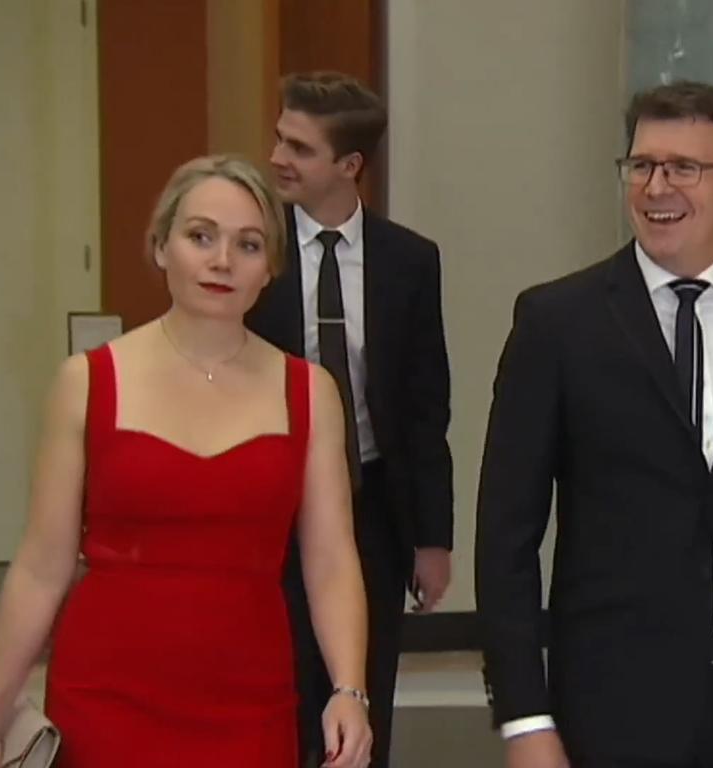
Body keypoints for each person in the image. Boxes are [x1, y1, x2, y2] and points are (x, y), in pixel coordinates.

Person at [476, 80, 713, 768]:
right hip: (612, 696)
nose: (656, 187)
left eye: (684, 168)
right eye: (641, 165)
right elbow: (506, 535)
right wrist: (524, 718)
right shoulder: (558, 322)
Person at [0, 155, 373, 768]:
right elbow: (41, 566)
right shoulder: (87, 382)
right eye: (200, 236)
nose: (221, 261)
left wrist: (349, 689)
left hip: (249, 694)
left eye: (248, 244)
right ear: (161, 247)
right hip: (105, 694)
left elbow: (331, 558)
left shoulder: (309, 391)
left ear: (270, 269)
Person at [246, 71, 455, 767]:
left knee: (363, 687)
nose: (278, 157)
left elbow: (427, 409)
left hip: (371, 505)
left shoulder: (409, 261)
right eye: (279, 138)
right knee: (275, 687)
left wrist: (433, 538)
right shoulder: (253, 252)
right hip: (267, 501)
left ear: (349, 166)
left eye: (299, 148)